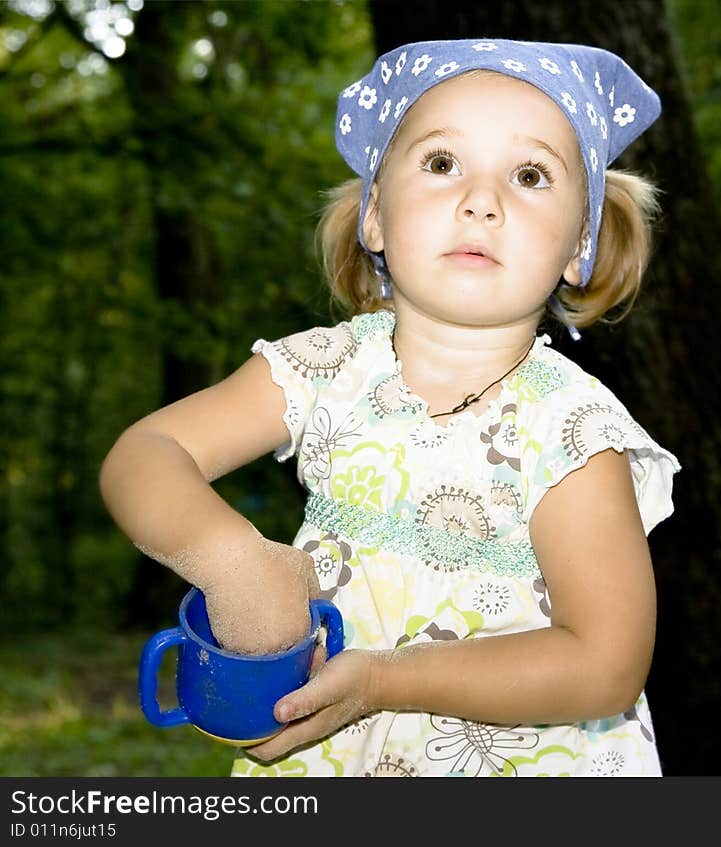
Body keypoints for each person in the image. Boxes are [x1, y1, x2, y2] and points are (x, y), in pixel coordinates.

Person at [100, 37, 682, 777]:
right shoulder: (327, 370)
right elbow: (144, 455)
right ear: (375, 216)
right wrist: (231, 559)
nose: (481, 199)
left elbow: (604, 664)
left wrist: (380, 682)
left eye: (531, 174)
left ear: (581, 245)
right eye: (442, 164)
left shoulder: (571, 432)